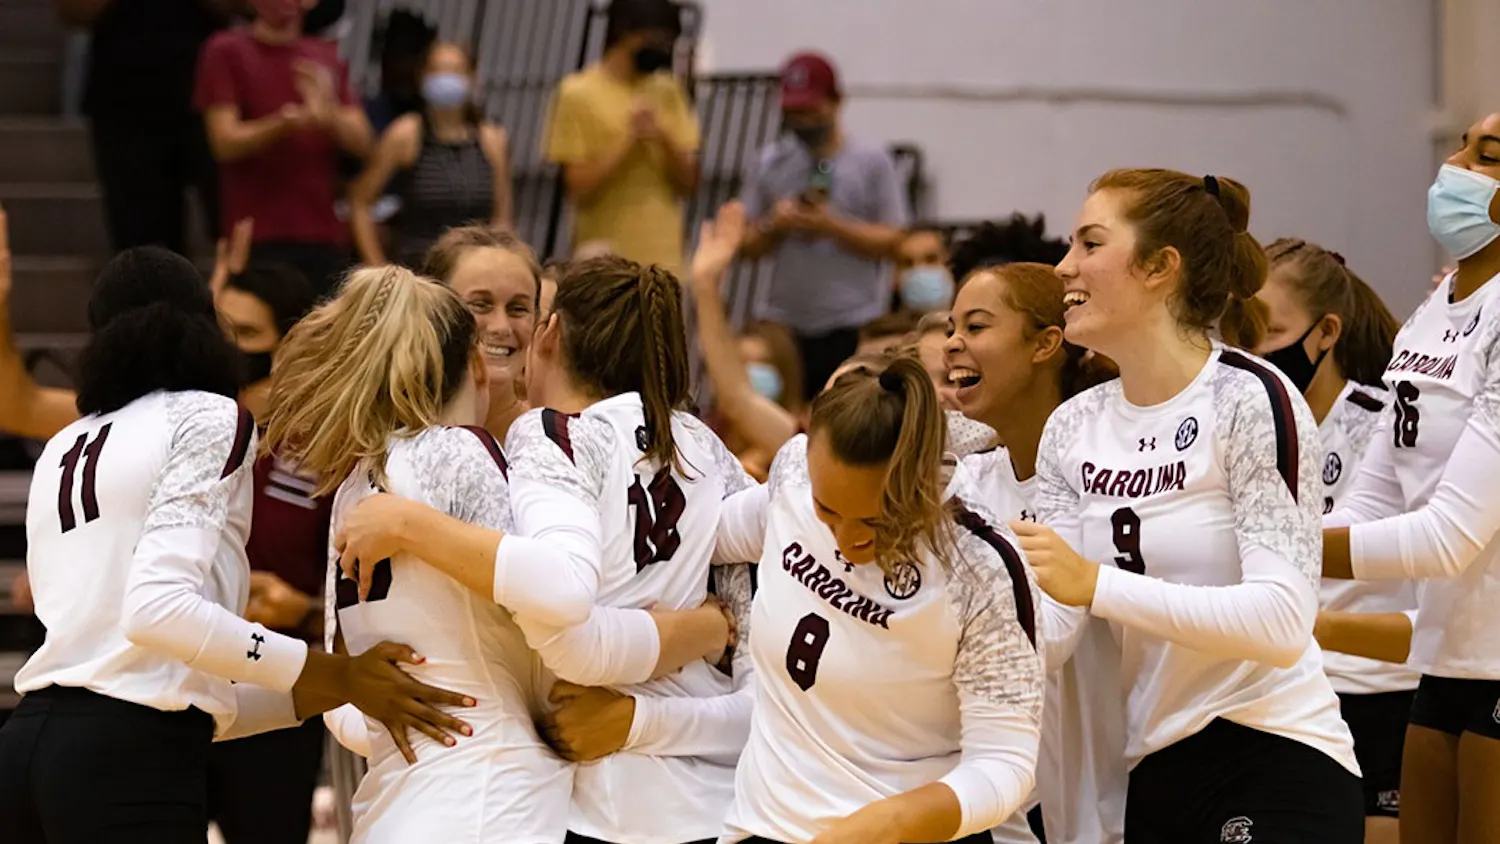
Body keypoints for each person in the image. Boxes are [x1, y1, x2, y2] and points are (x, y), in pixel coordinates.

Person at [0, 248, 470, 844]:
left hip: (26, 751)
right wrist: (330, 667)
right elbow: (159, 613)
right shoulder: (208, 415)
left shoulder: (67, 443)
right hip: (124, 762)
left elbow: (166, 689)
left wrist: (342, 683)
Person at [332, 256, 753, 844]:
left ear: (546, 331)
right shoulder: (688, 449)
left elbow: (348, 699)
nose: (506, 329)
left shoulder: (364, 482)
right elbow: (557, 626)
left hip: (443, 802)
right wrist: (704, 632)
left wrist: (636, 719)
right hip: (527, 805)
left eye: (523, 307)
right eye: (482, 306)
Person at [1020, 168, 1364, 843]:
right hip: (1154, 761)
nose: (1064, 267)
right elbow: (1055, 626)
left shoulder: (1250, 398)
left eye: (1090, 243)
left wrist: (1097, 584)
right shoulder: (1072, 426)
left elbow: (1281, 621)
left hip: (1274, 747)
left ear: (1159, 267)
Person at [710, 355, 1042, 843]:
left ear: (920, 481)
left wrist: (890, 822)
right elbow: (706, 541)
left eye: (874, 521)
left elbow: (1006, 764)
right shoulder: (793, 478)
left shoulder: (981, 565)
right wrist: (713, 625)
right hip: (763, 826)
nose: (845, 538)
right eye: (828, 512)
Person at [1320, 115, 1500, 844]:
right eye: (1461, 144)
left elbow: (1449, 536)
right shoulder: (1435, 306)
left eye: (1486, 156)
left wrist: (1283, 550)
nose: (1453, 164)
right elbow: (1372, 499)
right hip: (1449, 651)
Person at [943, 261, 1123, 844]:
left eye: (976, 326)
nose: (952, 345)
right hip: (1018, 804)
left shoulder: (1105, 475)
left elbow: (1052, 633)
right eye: (951, 328)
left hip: (1120, 788)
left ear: (1047, 343)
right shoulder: (968, 483)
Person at [1252, 238, 1413, 844]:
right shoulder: (1241, 429)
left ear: (1325, 334)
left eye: (1268, 331)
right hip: (1286, 694)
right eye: (1239, 331)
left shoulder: (1382, 423)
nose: (1251, 351)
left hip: (1382, 691)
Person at [738, 52, 909, 399]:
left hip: (851, 319)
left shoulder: (871, 161)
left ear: (836, 101)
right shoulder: (772, 162)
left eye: (810, 110)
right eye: (793, 113)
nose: (802, 121)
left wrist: (832, 226)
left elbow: (895, 237)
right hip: (785, 320)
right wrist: (776, 223)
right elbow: (745, 244)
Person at [195, 0, 374, 297]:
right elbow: (224, 141)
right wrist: (284, 123)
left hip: (323, 235)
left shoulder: (325, 57)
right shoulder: (225, 50)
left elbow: (365, 142)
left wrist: (329, 114)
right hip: (255, 235)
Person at [59, 0, 230, 255]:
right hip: (122, 97)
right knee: (144, 250)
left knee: (238, 233)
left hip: (213, 94)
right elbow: (72, 12)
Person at [543, 0, 699, 276]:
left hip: (665, 259)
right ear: (627, 34)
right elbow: (578, 188)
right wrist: (630, 140)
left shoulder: (668, 90)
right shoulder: (577, 92)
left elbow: (688, 181)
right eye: (656, 40)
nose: (662, 50)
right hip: (604, 258)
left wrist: (662, 136)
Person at [350, 42, 513, 268]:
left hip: (475, 269)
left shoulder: (492, 140)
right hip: (419, 270)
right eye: (438, 70)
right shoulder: (405, 134)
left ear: (473, 79)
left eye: (455, 71)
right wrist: (377, 265)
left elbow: (502, 219)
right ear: (422, 78)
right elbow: (360, 201)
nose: (446, 78)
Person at [421, 225, 542, 440]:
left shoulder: (552, 443)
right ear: (434, 311)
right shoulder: (387, 434)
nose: (501, 327)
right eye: (480, 304)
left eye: (518, 308)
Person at [893, 225, 956, 314]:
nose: (919, 269)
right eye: (908, 263)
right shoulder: (881, 327)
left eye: (930, 260)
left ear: (948, 263)